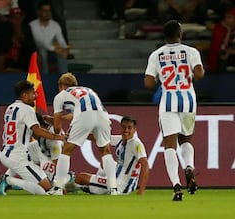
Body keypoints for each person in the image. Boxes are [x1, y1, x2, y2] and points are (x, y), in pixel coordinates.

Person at [144, 20, 205, 201]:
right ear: (180, 33)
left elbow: (148, 83)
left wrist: (160, 77)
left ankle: (176, 185)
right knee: (186, 140)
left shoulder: (156, 55)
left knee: (169, 146)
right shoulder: (191, 51)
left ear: (164, 35)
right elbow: (200, 74)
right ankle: (189, 167)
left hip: (168, 103)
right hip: (188, 102)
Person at [50, 72, 118, 195]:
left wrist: (58, 132)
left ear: (61, 86)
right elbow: (84, 108)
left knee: (67, 150)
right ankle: (113, 189)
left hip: (84, 116)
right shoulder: (88, 90)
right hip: (103, 115)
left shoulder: (61, 95)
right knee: (105, 151)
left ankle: (58, 188)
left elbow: (56, 126)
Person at [0, 80, 66, 195]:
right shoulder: (26, 109)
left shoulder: (10, 108)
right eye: (33, 93)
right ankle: (8, 180)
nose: (36, 96)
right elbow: (37, 130)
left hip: (7, 151)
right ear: (24, 95)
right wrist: (57, 137)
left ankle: (7, 179)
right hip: (18, 156)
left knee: (44, 186)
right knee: (49, 191)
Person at [75, 116, 149, 195]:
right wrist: (77, 135)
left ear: (134, 130)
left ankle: (88, 187)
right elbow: (98, 138)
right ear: (120, 128)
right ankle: (95, 187)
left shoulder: (136, 144)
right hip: (116, 175)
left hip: (121, 185)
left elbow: (145, 165)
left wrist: (141, 190)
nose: (126, 130)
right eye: (124, 127)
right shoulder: (120, 139)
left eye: (129, 128)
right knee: (105, 161)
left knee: (80, 178)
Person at [29, 0, 68, 74]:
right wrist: (55, 49)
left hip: (52, 51)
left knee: (61, 54)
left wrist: (64, 49)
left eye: (49, 11)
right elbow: (40, 42)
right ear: (39, 12)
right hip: (37, 52)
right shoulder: (32, 25)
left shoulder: (55, 25)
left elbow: (61, 40)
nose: (47, 13)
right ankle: (45, 77)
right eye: (44, 11)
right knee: (42, 51)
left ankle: (64, 78)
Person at [206, 7, 235, 73]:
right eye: (226, 17)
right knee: (222, 58)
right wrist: (228, 31)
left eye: (230, 17)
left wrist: (229, 52)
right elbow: (221, 46)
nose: (226, 20)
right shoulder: (219, 28)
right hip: (224, 56)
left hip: (231, 54)